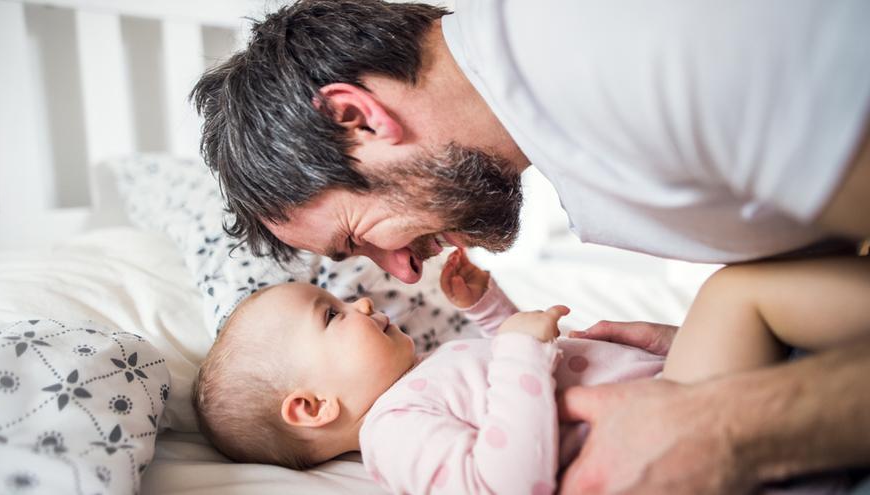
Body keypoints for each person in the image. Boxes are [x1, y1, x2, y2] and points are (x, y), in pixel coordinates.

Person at [190, 0, 870, 492]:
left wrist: (733, 421)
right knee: (740, 292)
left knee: (737, 292)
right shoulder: (397, 424)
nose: (398, 272)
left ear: (356, 118)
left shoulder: (637, 59)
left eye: (358, 237)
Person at [193, 250, 665, 493]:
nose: (360, 301)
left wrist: (488, 310)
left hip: (669, 382)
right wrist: (523, 349)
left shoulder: (420, 374)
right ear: (313, 407)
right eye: (332, 315)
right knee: (732, 292)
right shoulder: (394, 433)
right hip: (664, 428)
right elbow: (504, 483)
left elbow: (507, 388)